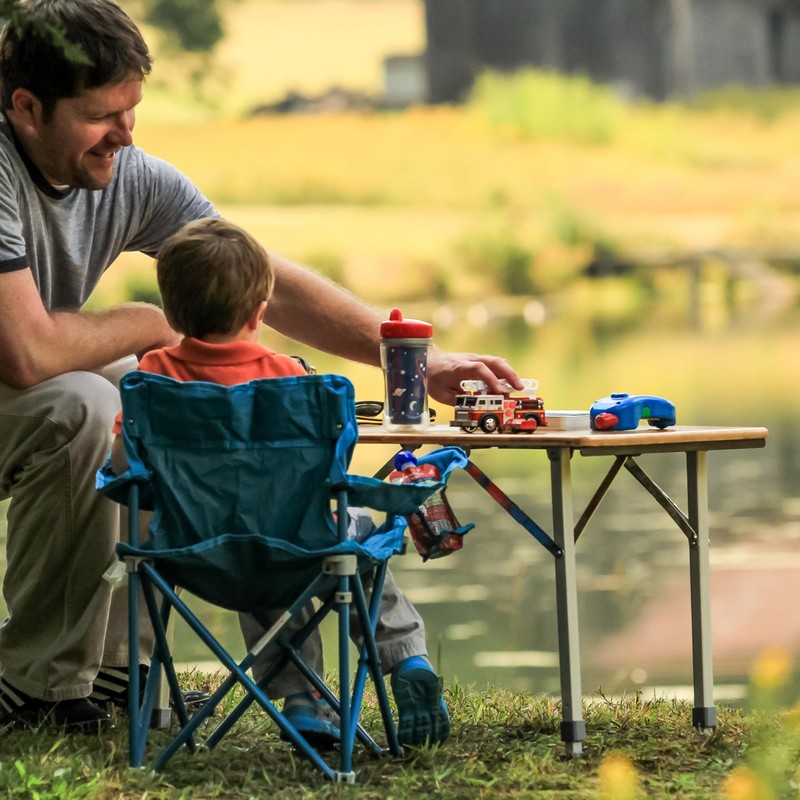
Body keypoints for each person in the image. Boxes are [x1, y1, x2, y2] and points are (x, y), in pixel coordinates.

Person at [0, 0, 521, 734]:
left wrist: (414, 359)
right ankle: (35, 683)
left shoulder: (127, 176)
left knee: (156, 401)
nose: (124, 133)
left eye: (131, 109)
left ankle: (122, 669)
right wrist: (155, 323)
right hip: (22, 384)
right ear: (27, 108)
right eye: (100, 115)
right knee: (86, 404)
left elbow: (250, 275)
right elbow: (27, 354)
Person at [110, 216, 451, 747]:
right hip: (294, 548)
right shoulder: (292, 380)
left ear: (172, 313)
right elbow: (326, 473)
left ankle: (302, 698)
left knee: (250, 535)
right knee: (343, 536)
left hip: (188, 552)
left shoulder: (150, 379)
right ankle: (406, 657)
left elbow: (121, 467)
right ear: (259, 312)